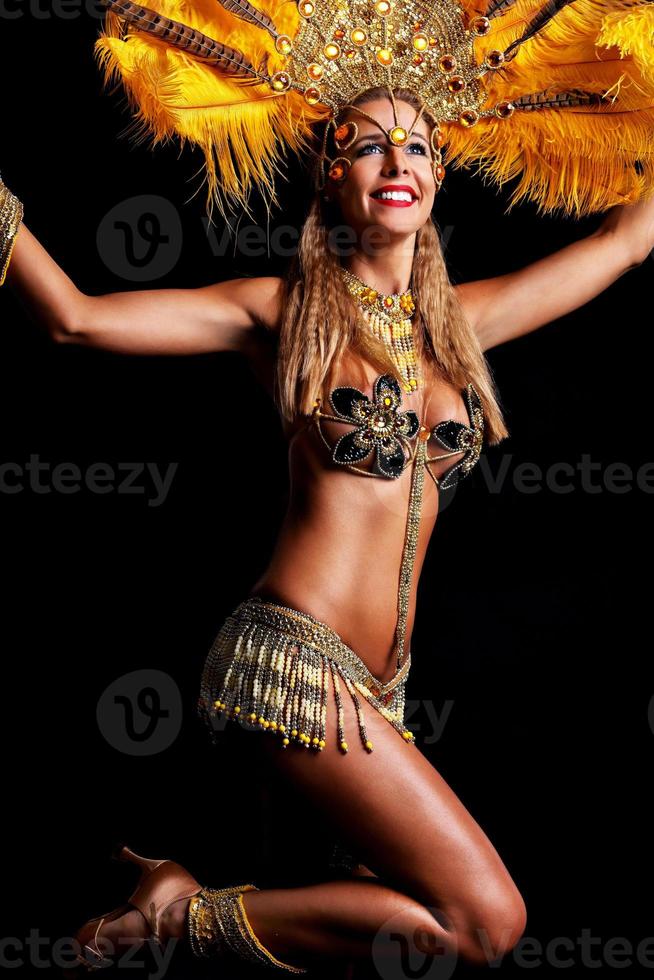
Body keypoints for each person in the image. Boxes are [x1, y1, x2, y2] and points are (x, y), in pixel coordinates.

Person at [2, 0, 654, 973]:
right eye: (370, 147)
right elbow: (76, 321)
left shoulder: (461, 327)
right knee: (484, 921)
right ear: (331, 172)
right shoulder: (282, 309)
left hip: (381, 687)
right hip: (291, 659)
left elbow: (623, 242)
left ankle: (184, 907)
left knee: (404, 926)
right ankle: (176, 911)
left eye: (420, 148)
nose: (398, 164)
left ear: (438, 177)